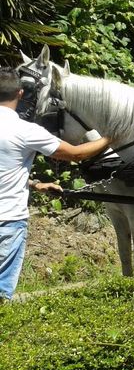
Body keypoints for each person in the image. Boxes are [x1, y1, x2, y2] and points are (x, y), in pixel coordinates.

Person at [0, 67, 111, 302]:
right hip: (7, 221)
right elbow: (76, 154)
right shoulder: (25, 131)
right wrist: (111, 136)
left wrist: (33, 184)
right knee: (1, 296)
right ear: (20, 93)